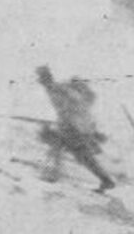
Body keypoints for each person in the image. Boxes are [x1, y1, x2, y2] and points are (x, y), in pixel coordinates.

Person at [36, 65, 114, 193]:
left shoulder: (60, 90)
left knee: (67, 148)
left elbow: (71, 106)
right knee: (80, 155)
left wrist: (67, 122)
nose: (41, 82)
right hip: (77, 127)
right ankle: (106, 180)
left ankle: (51, 174)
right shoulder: (61, 90)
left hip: (73, 128)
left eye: (42, 79)